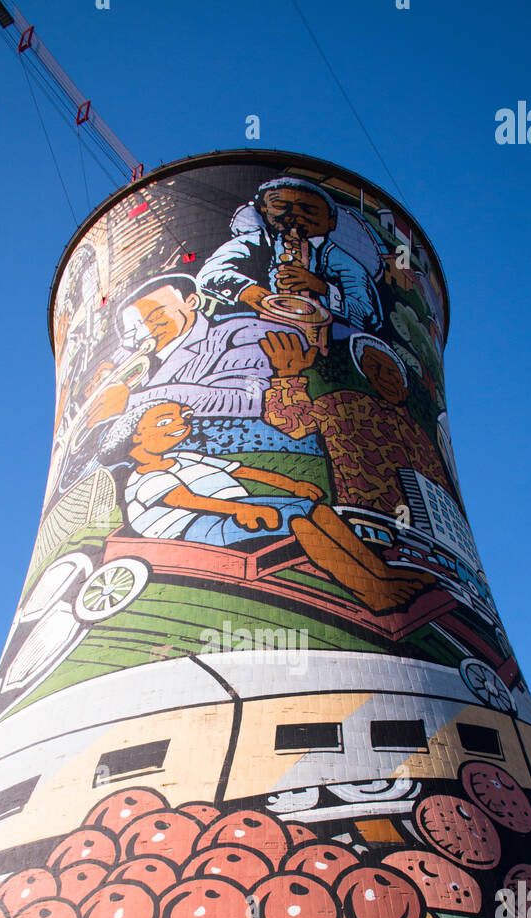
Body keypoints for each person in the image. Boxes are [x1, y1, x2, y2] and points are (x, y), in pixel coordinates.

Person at [98, 400, 433, 614]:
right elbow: (185, 501)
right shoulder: (143, 475)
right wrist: (239, 512)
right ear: (136, 437)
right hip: (195, 526)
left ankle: (382, 575)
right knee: (300, 525)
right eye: (164, 421)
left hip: (236, 506)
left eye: (181, 418)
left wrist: (292, 485)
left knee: (318, 510)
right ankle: (373, 593)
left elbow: (242, 470)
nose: (181, 424)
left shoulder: (184, 456)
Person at [261, 330, 455, 516]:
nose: (383, 376)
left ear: (403, 381)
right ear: (366, 374)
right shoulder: (350, 403)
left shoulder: (423, 440)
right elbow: (293, 423)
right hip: (364, 519)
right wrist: (288, 374)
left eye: (390, 370)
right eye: (373, 367)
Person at [83, 273, 299, 426]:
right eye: (134, 329)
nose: (145, 333)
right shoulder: (139, 360)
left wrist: (131, 401)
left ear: (191, 301)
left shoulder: (239, 333)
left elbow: (248, 398)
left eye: (155, 316)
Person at [196, 178, 384, 336]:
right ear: (263, 209)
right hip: (257, 331)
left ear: (330, 222)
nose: (293, 216)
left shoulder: (340, 260)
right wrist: (250, 292)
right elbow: (210, 273)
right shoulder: (255, 241)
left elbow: (368, 315)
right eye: (280, 206)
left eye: (308, 210)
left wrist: (322, 288)